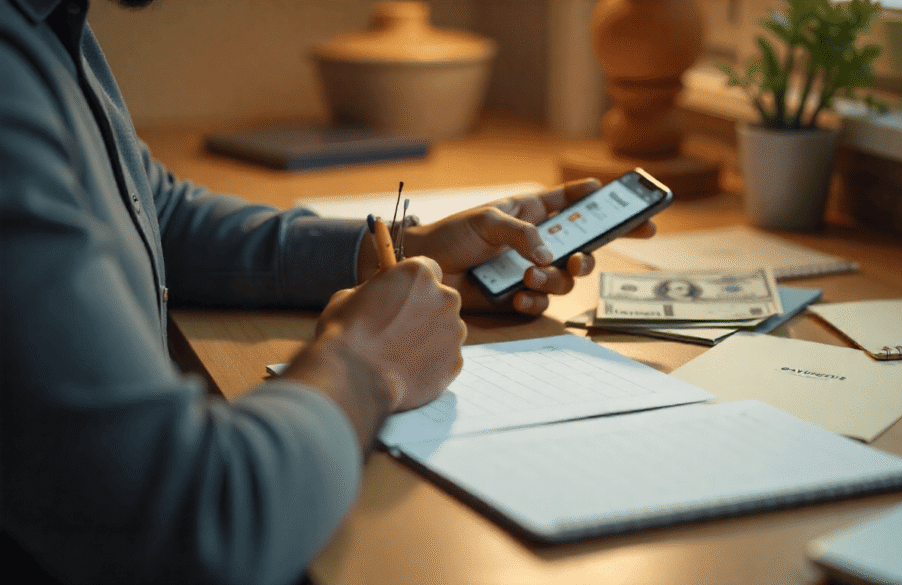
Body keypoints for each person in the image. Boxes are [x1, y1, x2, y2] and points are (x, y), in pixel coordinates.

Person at [0, 1, 656, 584]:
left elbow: (156, 211)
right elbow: (193, 524)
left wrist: (404, 248)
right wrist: (366, 364)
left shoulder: (51, 26)